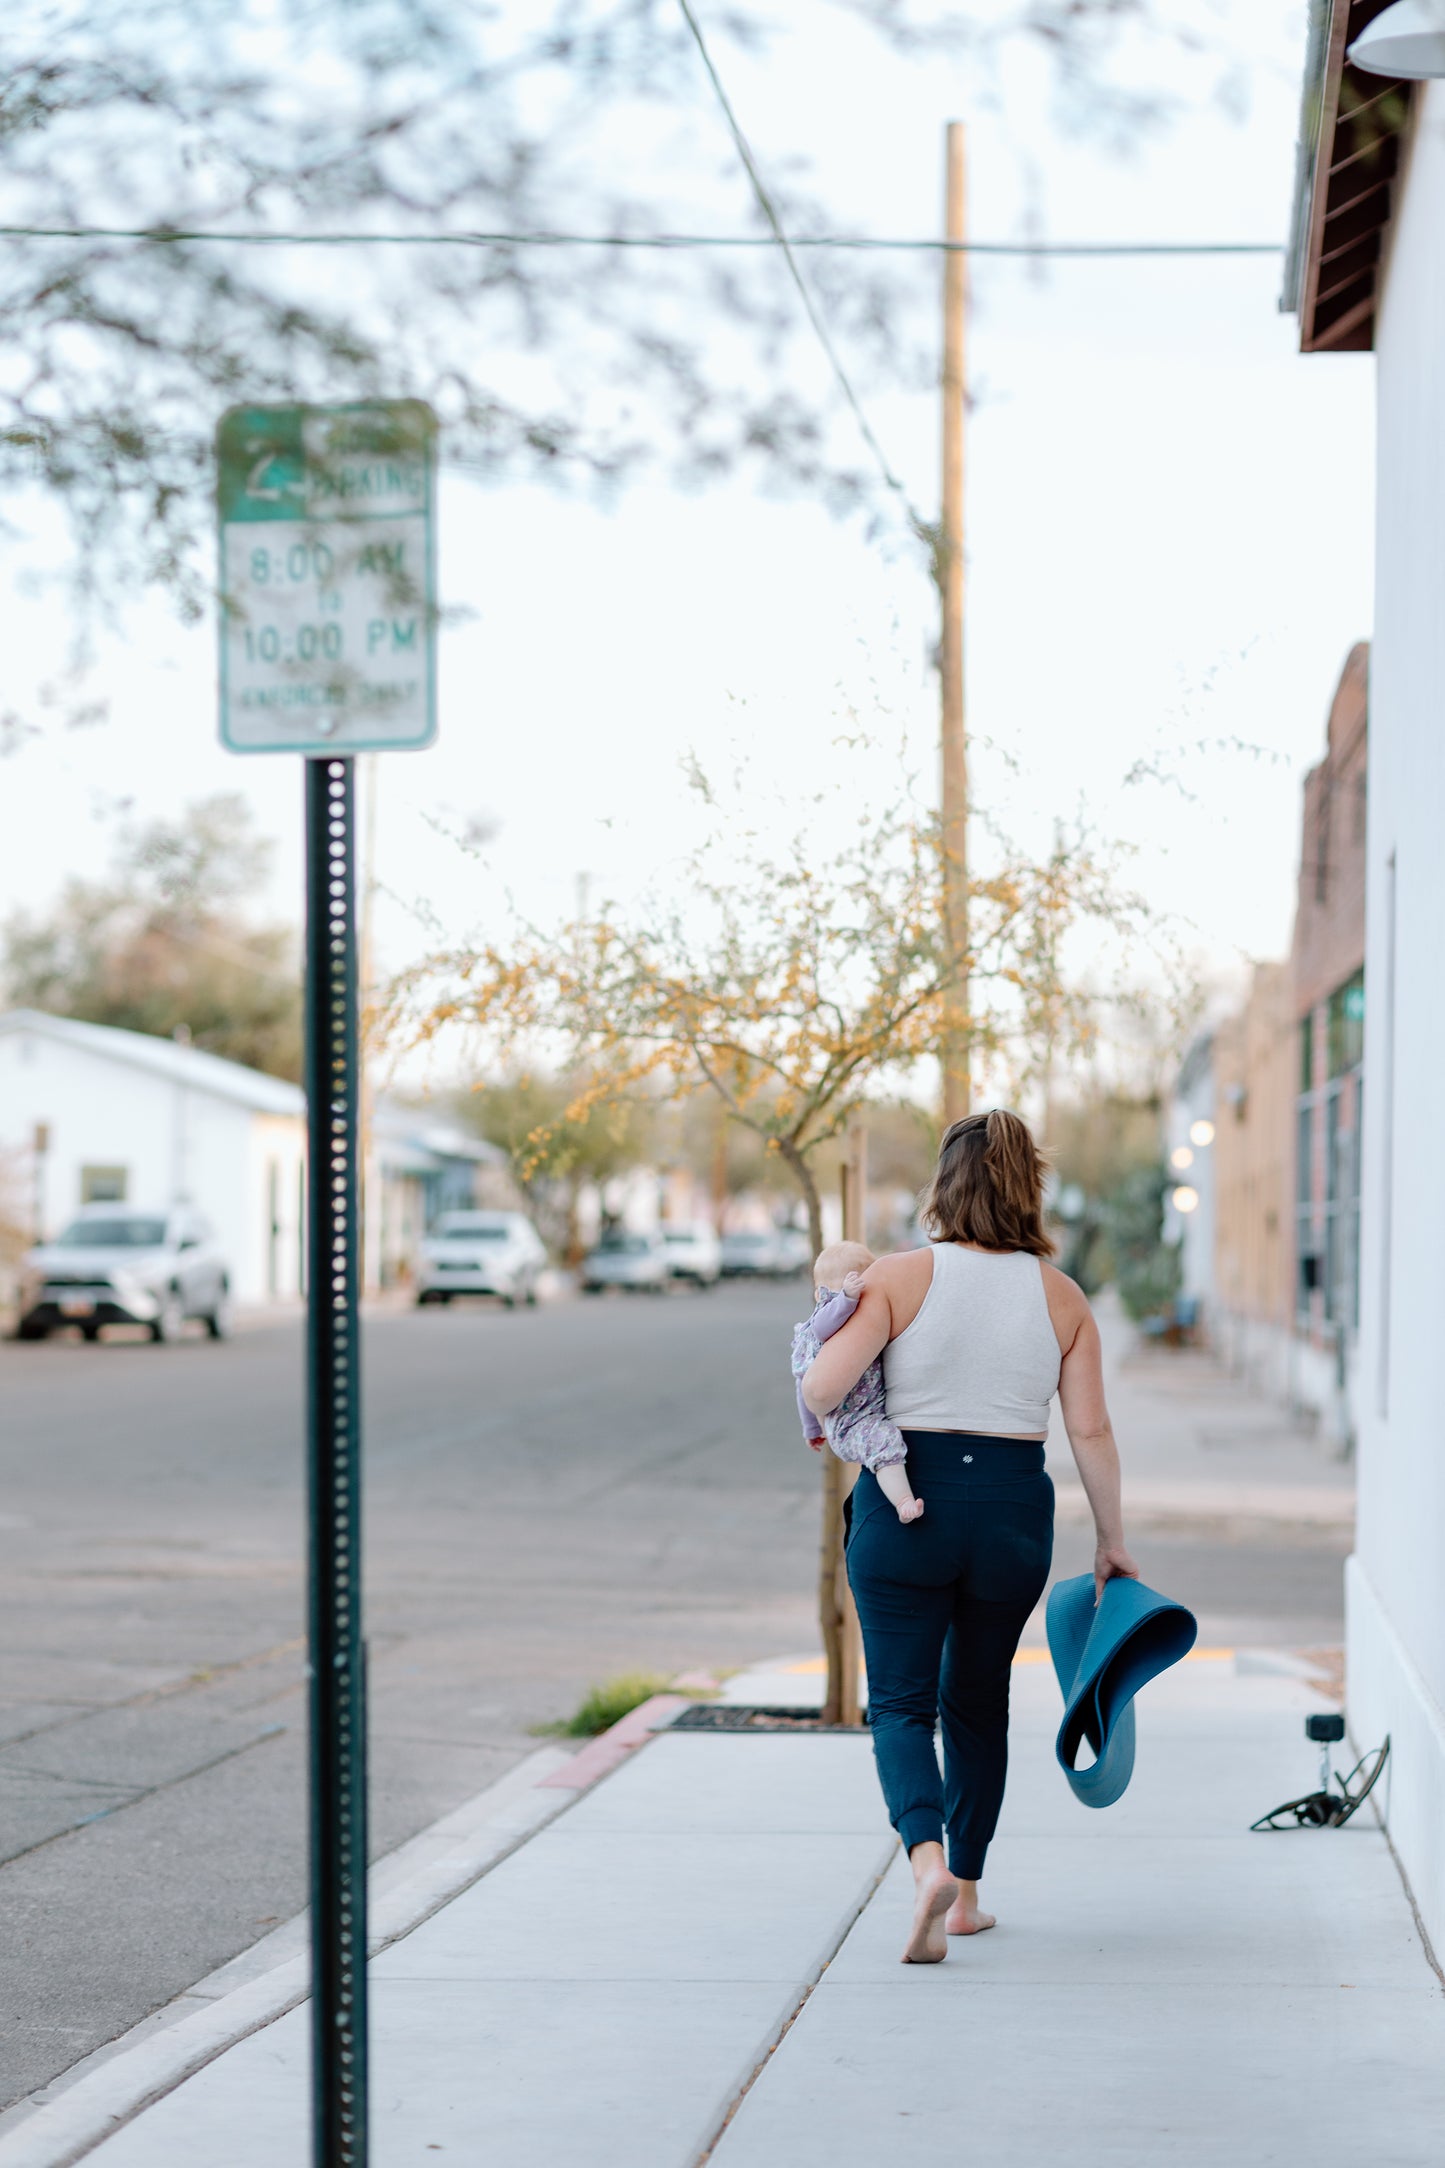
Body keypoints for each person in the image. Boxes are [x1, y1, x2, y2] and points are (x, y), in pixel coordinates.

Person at [801, 1108, 1139, 1965]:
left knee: (904, 1704)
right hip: (1009, 1514)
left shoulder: (899, 1277)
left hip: (903, 1504)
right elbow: (1090, 1432)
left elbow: (825, 1390)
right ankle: (967, 1898)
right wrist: (1111, 1540)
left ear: (942, 1185)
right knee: (977, 1701)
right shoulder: (1062, 1297)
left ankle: (925, 1865)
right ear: (1031, 1186)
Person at [790, 1241, 923, 1524]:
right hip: (848, 1422)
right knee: (884, 1443)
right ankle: (903, 1501)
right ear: (820, 1295)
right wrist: (813, 1427)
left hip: (868, 1409)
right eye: (848, 1288)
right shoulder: (819, 1324)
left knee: (886, 1441)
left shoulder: (862, 1316)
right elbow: (804, 1382)